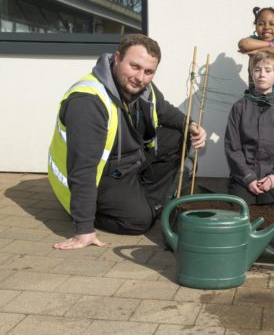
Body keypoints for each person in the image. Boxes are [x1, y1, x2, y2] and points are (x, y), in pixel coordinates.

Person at [48, 34, 207, 250]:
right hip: (100, 174)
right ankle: (99, 211)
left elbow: (165, 110)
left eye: (148, 72)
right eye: (134, 66)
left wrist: (191, 125)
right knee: (138, 221)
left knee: (180, 137)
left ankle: (141, 200)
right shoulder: (88, 101)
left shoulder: (143, 88)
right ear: (117, 58)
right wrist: (84, 229)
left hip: (128, 161)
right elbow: (83, 168)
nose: (140, 77)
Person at [224, 51, 274, 204]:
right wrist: (248, 178)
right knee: (240, 209)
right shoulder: (239, 107)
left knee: (273, 210)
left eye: (268, 71)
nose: (262, 74)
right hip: (243, 175)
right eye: (257, 70)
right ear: (252, 74)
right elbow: (233, 148)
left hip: (273, 175)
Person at [238, 6, 274, 99]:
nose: (266, 27)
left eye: (272, 24)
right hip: (254, 99)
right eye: (261, 24)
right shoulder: (253, 40)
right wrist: (269, 45)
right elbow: (243, 44)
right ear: (255, 27)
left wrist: (258, 51)